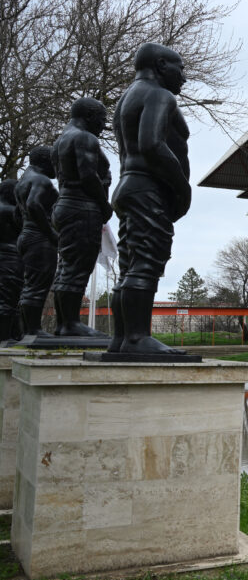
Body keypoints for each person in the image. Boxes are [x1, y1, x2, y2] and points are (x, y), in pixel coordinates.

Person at [109, 43, 191, 355]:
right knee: (145, 263)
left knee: (129, 265)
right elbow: (152, 144)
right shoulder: (159, 94)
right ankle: (137, 338)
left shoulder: (127, 97)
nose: (183, 77)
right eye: (179, 68)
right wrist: (183, 188)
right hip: (147, 188)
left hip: (130, 186)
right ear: (160, 65)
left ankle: (121, 338)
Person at [50, 97, 113, 337]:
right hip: (81, 206)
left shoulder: (60, 140)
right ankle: (70, 324)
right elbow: (88, 176)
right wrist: (104, 204)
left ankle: (63, 324)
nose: (103, 124)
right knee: (78, 267)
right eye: (101, 118)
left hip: (65, 205)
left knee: (66, 266)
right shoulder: (85, 138)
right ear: (88, 115)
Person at [15, 146, 58, 336]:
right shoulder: (41, 180)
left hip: (26, 235)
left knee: (29, 284)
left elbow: (18, 214)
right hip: (38, 238)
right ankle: (33, 330)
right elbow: (34, 204)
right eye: (54, 162)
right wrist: (51, 233)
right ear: (45, 162)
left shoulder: (22, 182)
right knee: (38, 284)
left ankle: (27, 330)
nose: (57, 168)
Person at [0, 179, 23, 342]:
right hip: (10, 258)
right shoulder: (12, 211)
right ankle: (5, 337)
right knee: (9, 299)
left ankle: (13, 334)